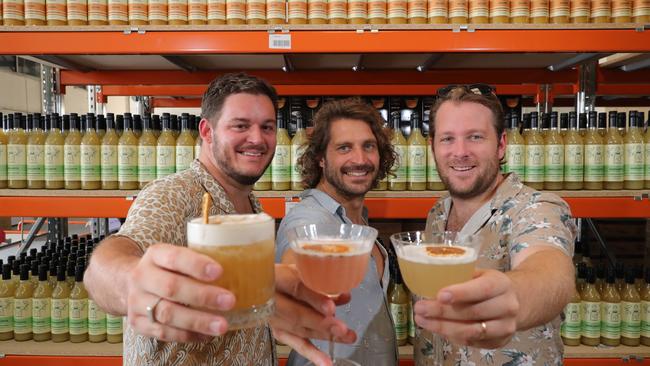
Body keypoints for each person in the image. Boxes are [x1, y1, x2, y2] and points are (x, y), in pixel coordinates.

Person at [84, 73, 356, 366]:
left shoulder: (252, 206)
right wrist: (131, 281)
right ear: (207, 131)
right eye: (240, 126)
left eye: (267, 127)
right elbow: (106, 268)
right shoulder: (174, 194)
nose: (257, 138)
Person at [413, 85, 577, 365]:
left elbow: (551, 273)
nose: (460, 152)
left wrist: (512, 297)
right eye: (447, 139)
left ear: (501, 145)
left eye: (475, 137)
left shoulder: (535, 208)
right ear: (433, 147)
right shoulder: (437, 213)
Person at [275, 98, 399, 365]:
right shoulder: (309, 220)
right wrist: (283, 288)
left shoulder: (360, 222)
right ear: (320, 158)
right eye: (344, 148)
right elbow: (295, 265)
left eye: (369, 146)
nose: (360, 159)